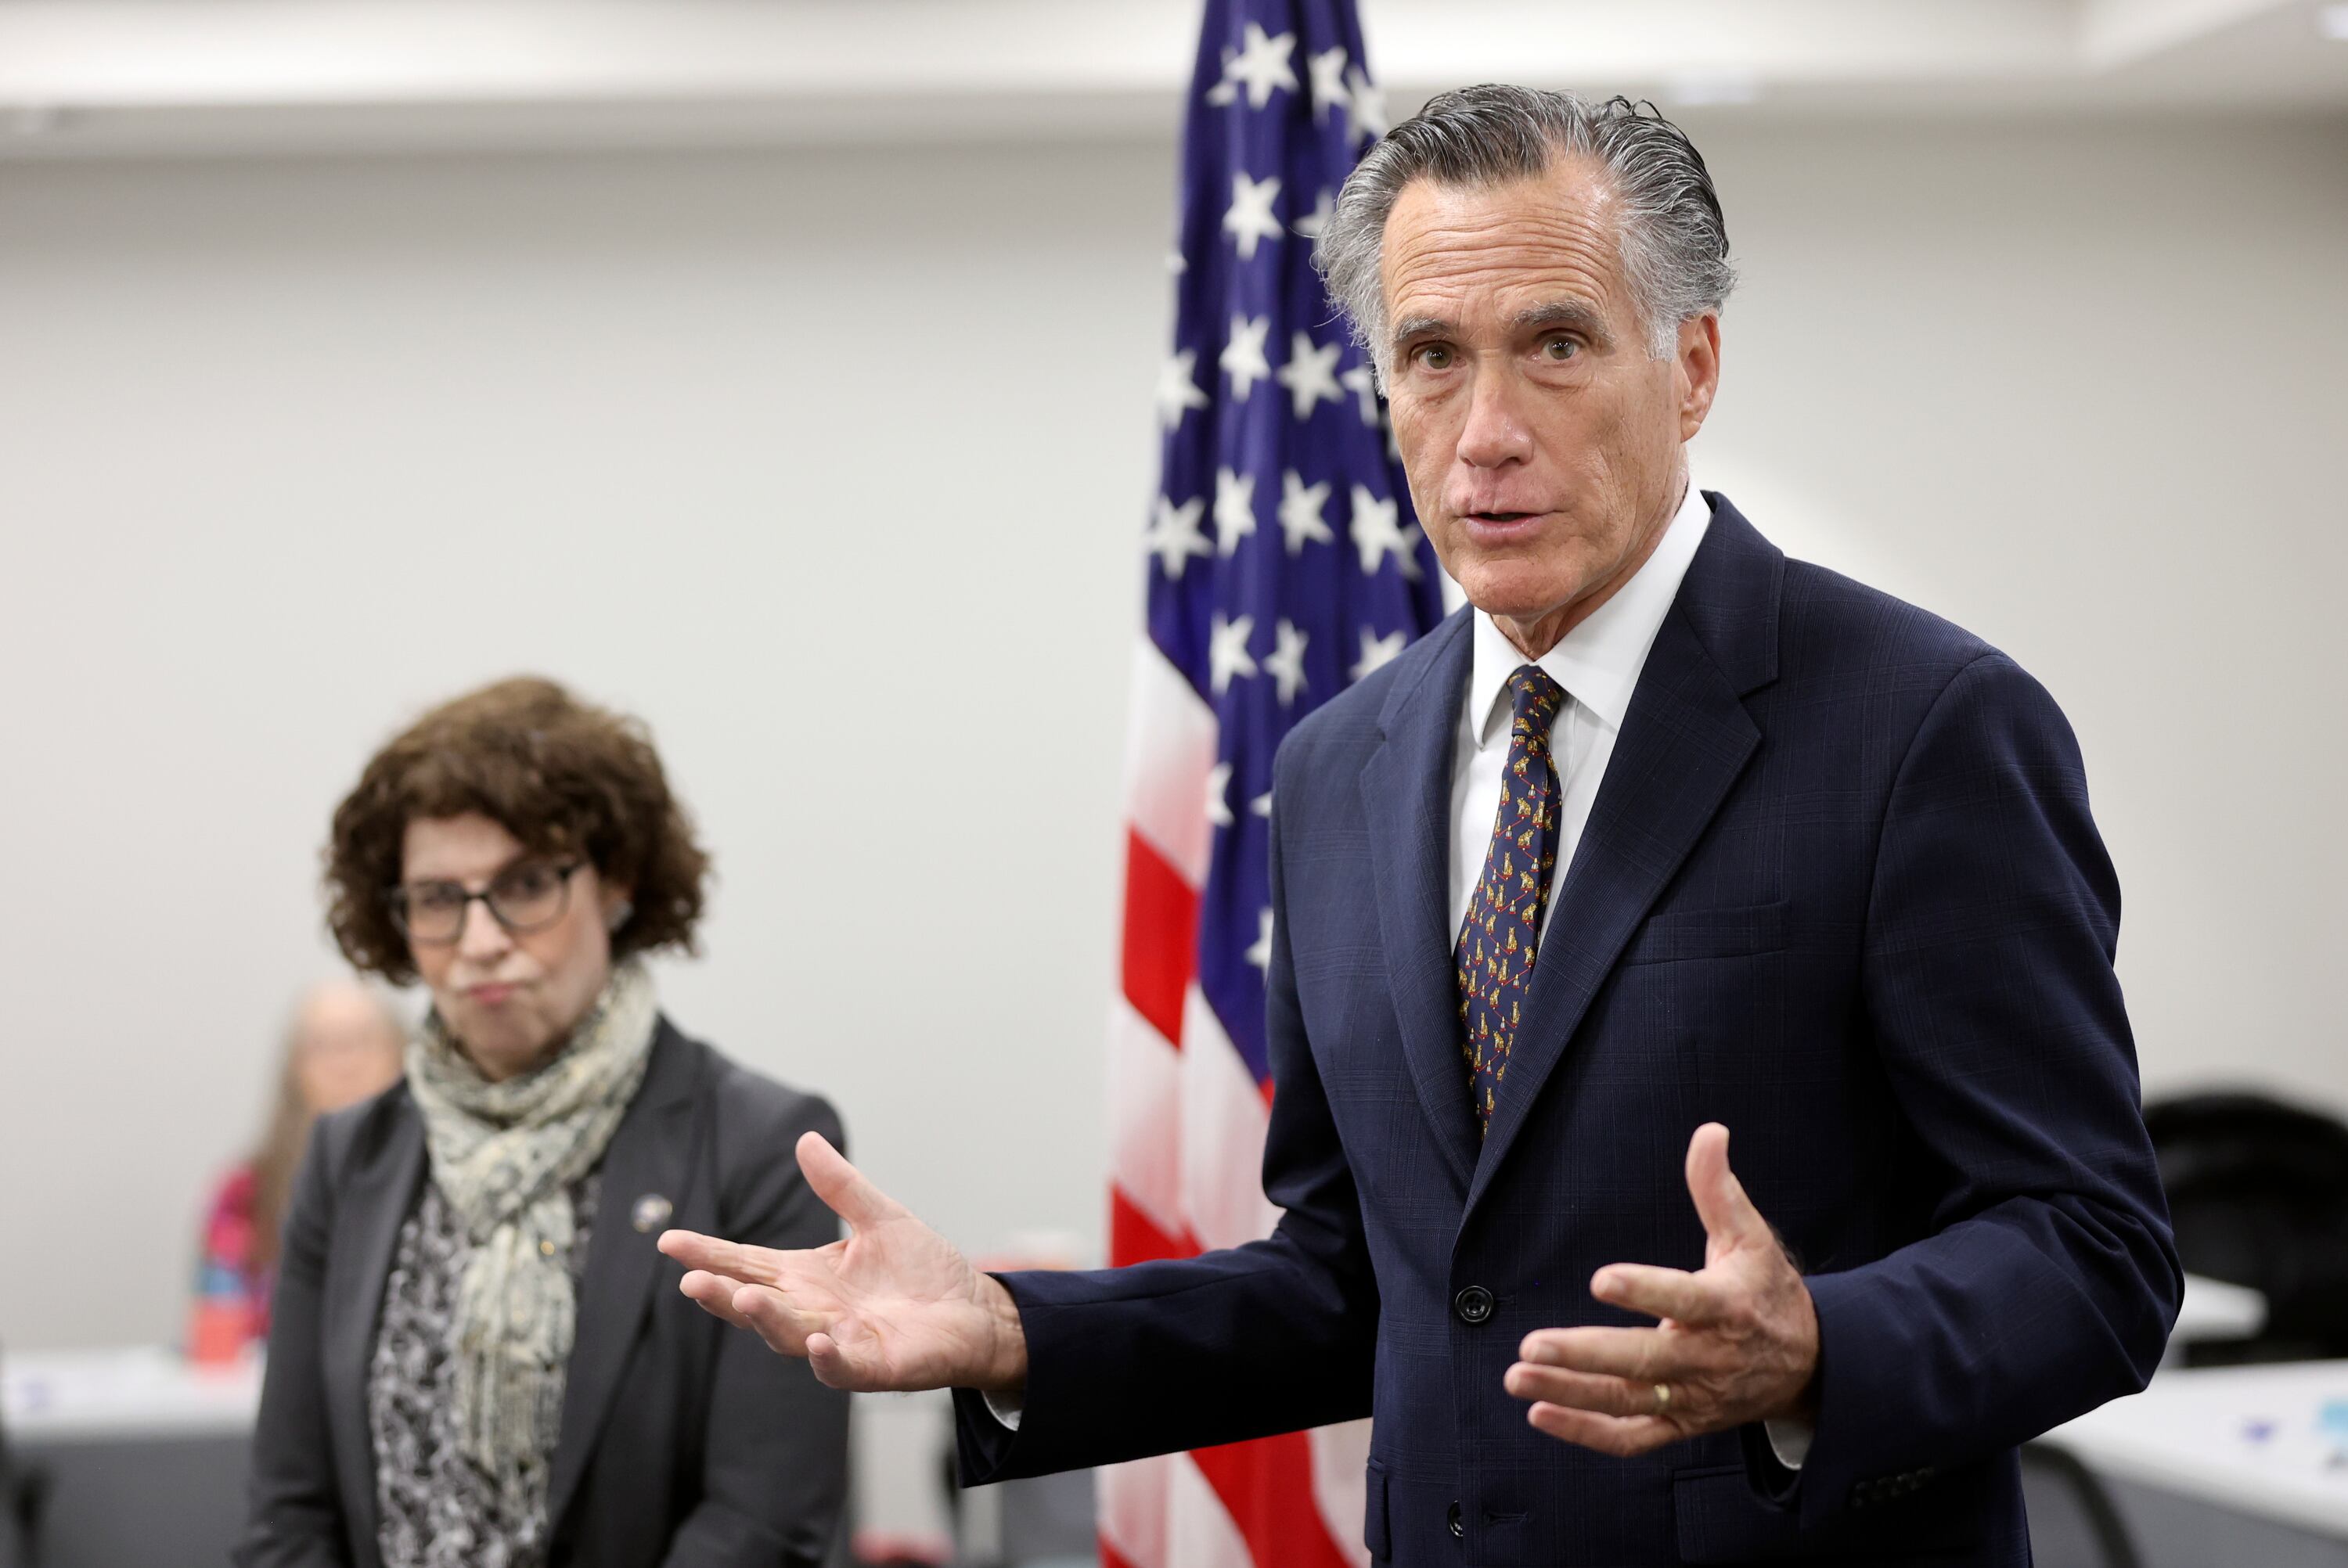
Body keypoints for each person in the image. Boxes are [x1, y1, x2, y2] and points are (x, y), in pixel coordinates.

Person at [661, 88, 2181, 1566]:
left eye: (1558, 346)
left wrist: (1817, 1351)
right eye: (1433, 356)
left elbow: (2094, 1247)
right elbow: (1356, 1281)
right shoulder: (1340, 767)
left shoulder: (1924, 723)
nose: (1486, 431)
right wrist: (1011, 1331)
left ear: (1694, 365)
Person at [238, 677, 848, 1568]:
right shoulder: (349, 1155)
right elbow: (288, 1514)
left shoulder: (758, 1145)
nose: (481, 940)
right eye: (439, 898)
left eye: (524, 885)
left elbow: (763, 1522)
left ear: (615, 884)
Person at [190, 981, 407, 1361]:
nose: (345, 1064)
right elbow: (218, 1333)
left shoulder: (438, 1182)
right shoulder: (245, 1196)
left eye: (361, 1041)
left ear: (402, 1054)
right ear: (294, 1068)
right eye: (323, 1046)